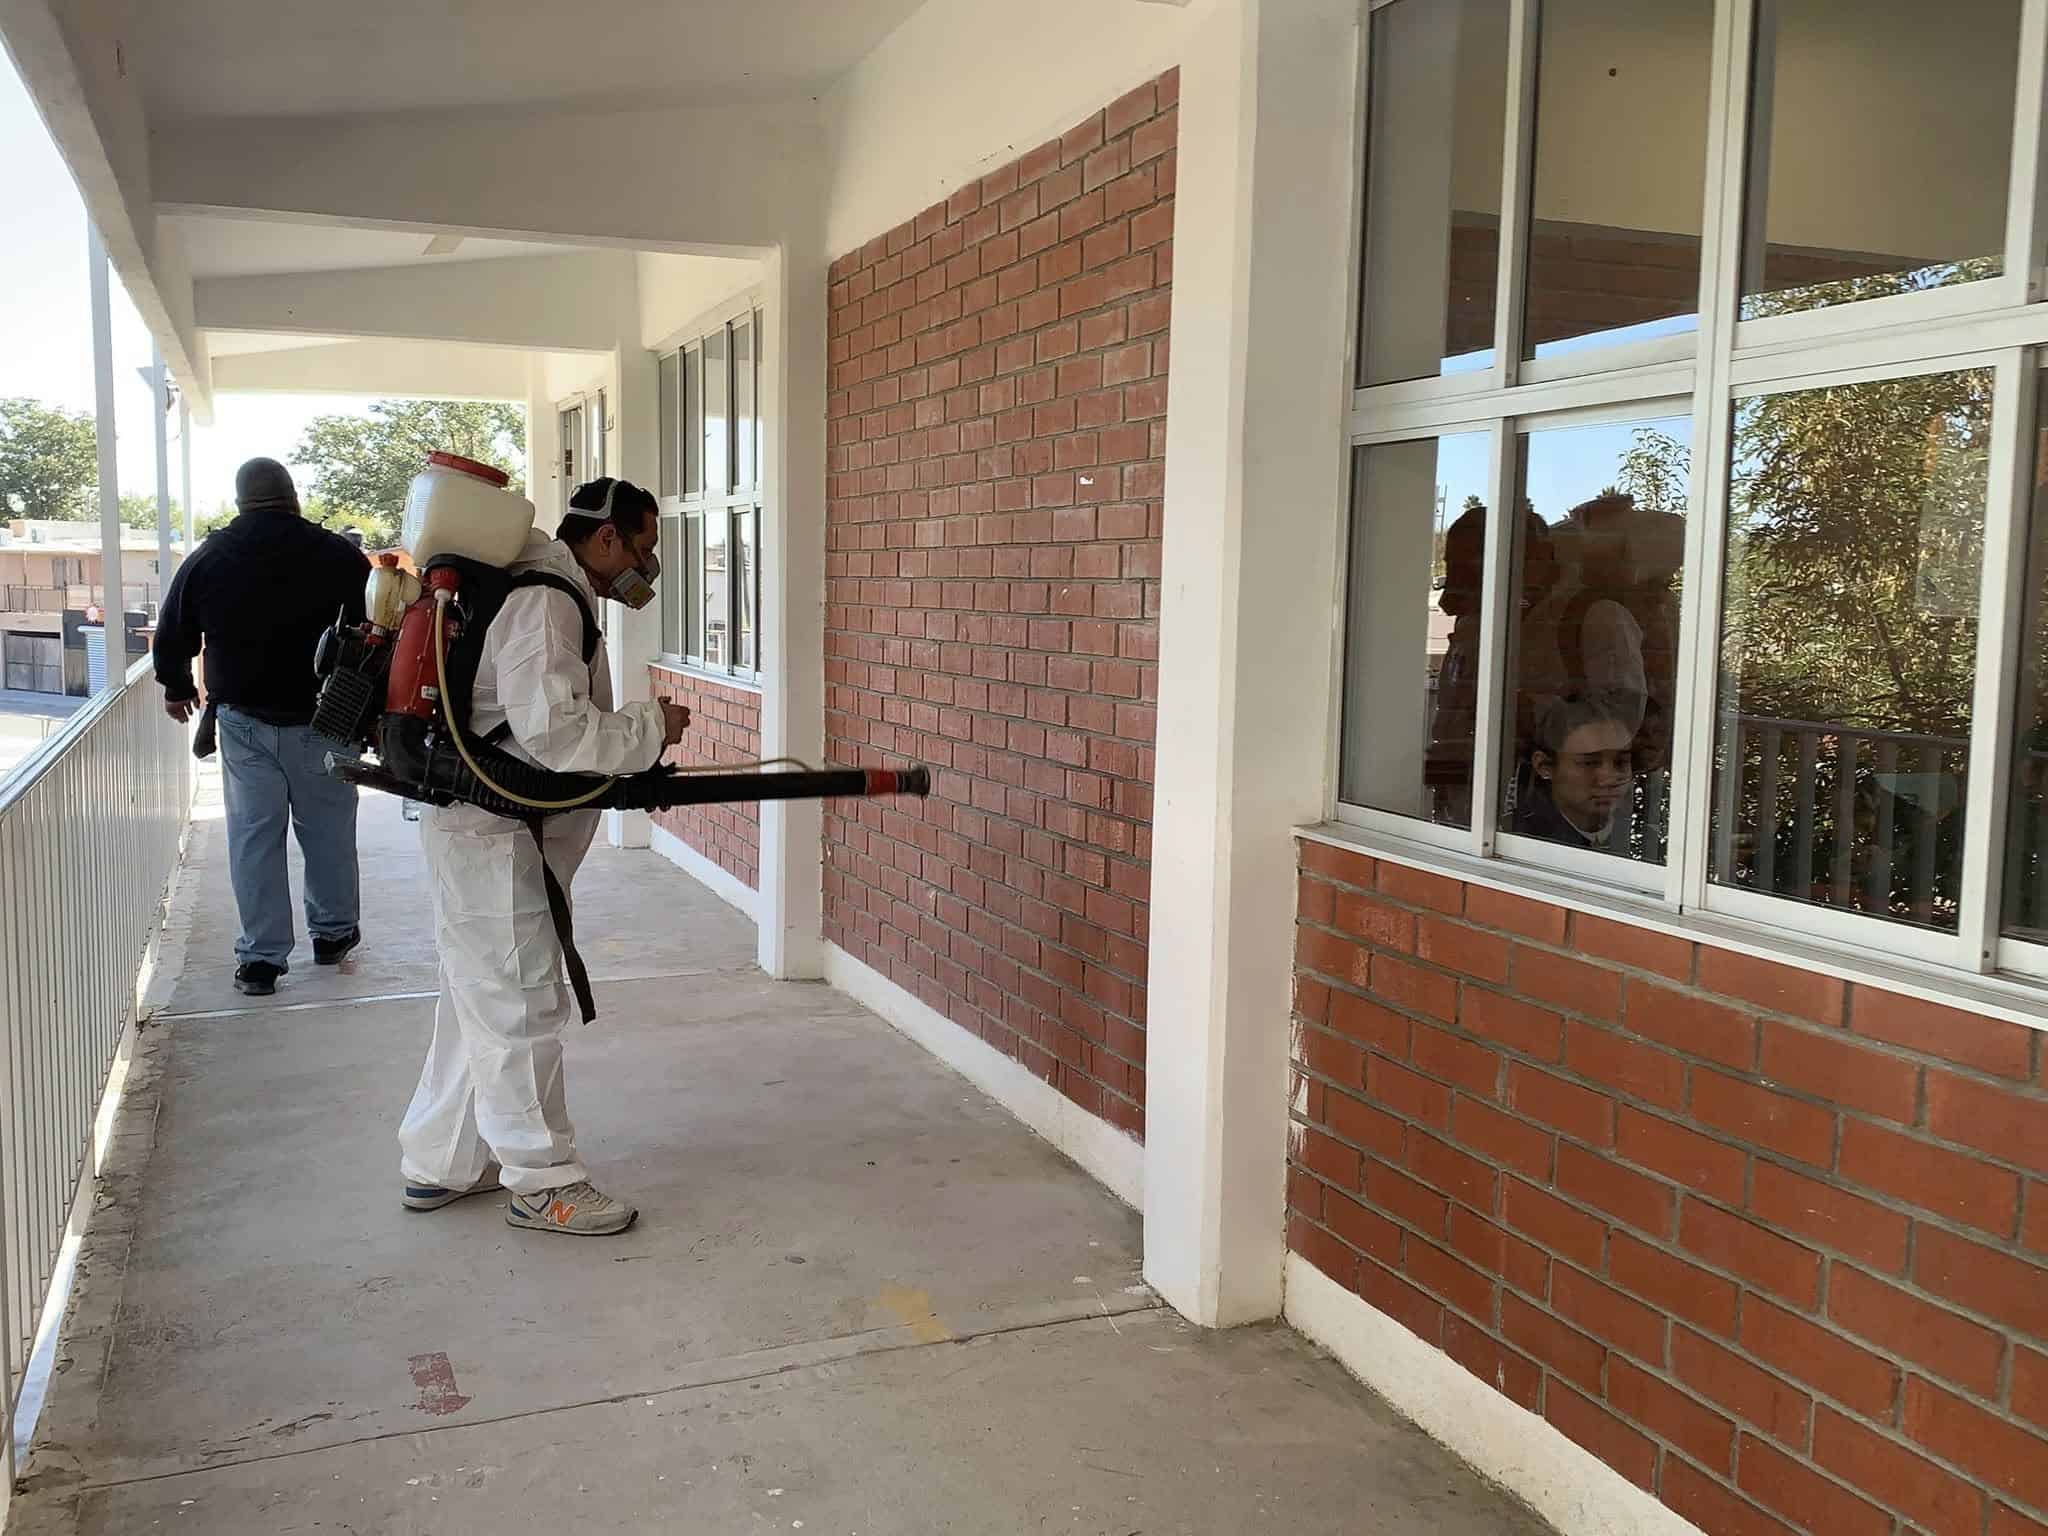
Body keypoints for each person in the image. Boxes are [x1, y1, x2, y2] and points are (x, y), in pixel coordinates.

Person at [396, 477, 691, 1237]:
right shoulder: (547, 598)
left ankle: (443, 1162)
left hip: (490, 833)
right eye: (643, 548)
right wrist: (650, 727)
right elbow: (554, 734)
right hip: (493, 838)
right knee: (518, 1003)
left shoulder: (545, 585)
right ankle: (542, 1182)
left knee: (479, 1001)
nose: (646, 568)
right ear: (604, 538)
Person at [153, 459, 371, 997]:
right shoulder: (338, 554)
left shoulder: (210, 557)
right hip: (328, 718)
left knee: (254, 838)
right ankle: (333, 934)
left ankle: (262, 960)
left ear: (240, 499)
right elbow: (380, 623)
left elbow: (173, 627)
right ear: (292, 496)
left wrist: (177, 686)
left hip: (246, 722)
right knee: (328, 832)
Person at [1512, 693, 1637, 850]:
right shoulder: (1523, 843)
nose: (1609, 778)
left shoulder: (1642, 827)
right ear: (1544, 766)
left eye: (1621, 762)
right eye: (1589, 763)